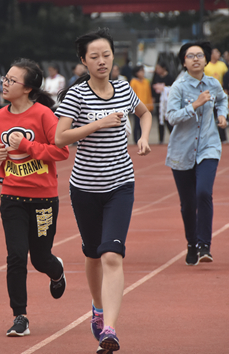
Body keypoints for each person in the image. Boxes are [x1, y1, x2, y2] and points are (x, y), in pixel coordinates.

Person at [54, 28, 152, 353]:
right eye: (94, 57)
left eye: (106, 55)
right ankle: (97, 307)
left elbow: (145, 112)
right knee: (92, 253)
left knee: (112, 254)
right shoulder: (76, 96)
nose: (101, 61)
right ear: (83, 61)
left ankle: (109, 329)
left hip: (120, 185)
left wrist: (143, 136)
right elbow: (60, 138)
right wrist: (97, 124)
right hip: (84, 188)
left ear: (114, 56)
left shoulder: (124, 88)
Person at [0, 58, 69, 338]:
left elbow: (61, 152)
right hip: (12, 198)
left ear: (28, 88)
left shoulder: (44, 115)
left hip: (43, 200)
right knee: (16, 257)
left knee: (40, 259)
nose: (5, 84)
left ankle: (57, 272)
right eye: (5, 79)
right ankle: (20, 316)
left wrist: (27, 146)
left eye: (11, 80)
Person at [165, 41, 229, 266]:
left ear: (206, 59)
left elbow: (222, 100)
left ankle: (204, 245)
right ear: (184, 61)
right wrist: (195, 105)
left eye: (199, 55)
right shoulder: (178, 87)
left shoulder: (213, 83)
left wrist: (222, 115)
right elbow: (171, 117)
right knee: (188, 203)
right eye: (190, 56)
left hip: (208, 147)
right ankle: (191, 243)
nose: (195, 59)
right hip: (181, 151)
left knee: (203, 192)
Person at [205, 47, 229, 142]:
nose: (218, 54)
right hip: (208, 96)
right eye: (216, 52)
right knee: (209, 118)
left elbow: (226, 78)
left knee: (221, 115)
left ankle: (223, 138)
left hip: (219, 94)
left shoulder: (222, 65)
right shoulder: (206, 66)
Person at [152, 61, 175, 144]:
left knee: (169, 120)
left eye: (159, 68)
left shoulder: (170, 77)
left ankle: (173, 137)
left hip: (168, 102)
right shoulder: (156, 76)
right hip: (159, 101)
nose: (157, 70)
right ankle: (161, 139)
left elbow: (173, 88)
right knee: (160, 120)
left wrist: (164, 89)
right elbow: (152, 87)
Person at [130, 65, 153, 144]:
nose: (142, 73)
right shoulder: (133, 82)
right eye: (141, 71)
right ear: (136, 73)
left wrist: (151, 105)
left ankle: (143, 138)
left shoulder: (146, 81)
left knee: (144, 124)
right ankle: (136, 140)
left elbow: (149, 94)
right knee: (137, 124)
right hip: (137, 107)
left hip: (146, 106)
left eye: (143, 71)